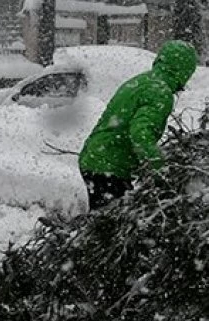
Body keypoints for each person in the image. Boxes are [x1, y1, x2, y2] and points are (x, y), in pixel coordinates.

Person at [78, 40, 199, 210]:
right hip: (108, 167)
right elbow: (140, 134)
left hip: (96, 157)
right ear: (185, 71)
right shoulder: (160, 92)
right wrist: (160, 170)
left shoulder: (142, 80)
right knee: (114, 226)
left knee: (108, 221)